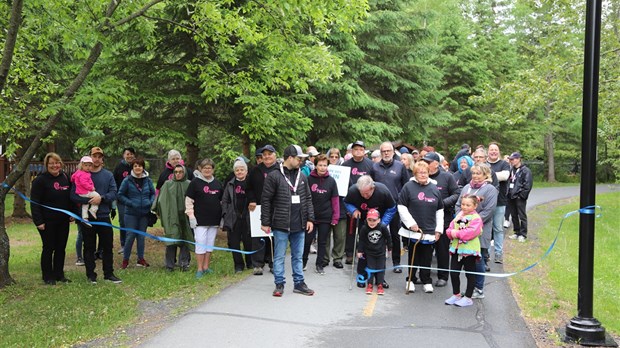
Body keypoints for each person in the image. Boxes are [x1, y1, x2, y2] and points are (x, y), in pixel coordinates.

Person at [261, 144, 315, 297]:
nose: (301, 162)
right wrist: (265, 222)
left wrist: (310, 218)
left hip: (300, 223)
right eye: (299, 159)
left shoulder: (302, 176)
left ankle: (299, 283)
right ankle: (279, 284)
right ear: (290, 158)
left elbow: (308, 199)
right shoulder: (274, 176)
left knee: (298, 256)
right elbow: (266, 200)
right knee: (279, 256)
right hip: (280, 223)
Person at [70, 147, 122, 284]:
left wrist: (102, 199)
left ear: (102, 159)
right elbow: (73, 195)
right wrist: (87, 201)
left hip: (104, 216)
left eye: (99, 156)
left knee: (107, 246)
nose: (97, 159)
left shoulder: (108, 175)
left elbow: (114, 192)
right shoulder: (80, 174)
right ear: (90, 157)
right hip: (87, 217)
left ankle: (109, 274)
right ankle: (91, 276)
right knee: (88, 246)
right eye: (94, 156)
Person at [398, 161, 444, 294]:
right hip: (414, 230)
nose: (422, 175)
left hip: (429, 230)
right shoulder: (408, 186)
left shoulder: (434, 189)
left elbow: (439, 210)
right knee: (413, 255)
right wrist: (410, 223)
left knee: (427, 257)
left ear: (428, 173)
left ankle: (426, 280)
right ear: (415, 174)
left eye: (425, 172)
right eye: (419, 172)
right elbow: (401, 206)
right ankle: (410, 280)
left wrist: (438, 229)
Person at [344, 175, 396, 288]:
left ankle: (380, 279)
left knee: (379, 252)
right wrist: (353, 210)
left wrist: (382, 223)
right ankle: (362, 276)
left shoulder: (383, 191)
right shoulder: (353, 190)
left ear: (372, 188)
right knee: (363, 250)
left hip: (379, 222)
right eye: (362, 193)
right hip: (363, 222)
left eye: (367, 193)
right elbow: (346, 202)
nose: (364, 196)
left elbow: (392, 208)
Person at [455, 164, 498, 300]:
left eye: (479, 173)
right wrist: (460, 219)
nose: (475, 176)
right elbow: (458, 205)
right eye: (473, 173)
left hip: (481, 230)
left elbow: (489, 211)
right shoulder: (467, 188)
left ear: (486, 175)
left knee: (478, 261)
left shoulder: (490, 189)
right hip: (463, 231)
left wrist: (472, 222)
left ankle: (479, 288)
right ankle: (469, 289)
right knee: (466, 262)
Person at [30, 153, 73, 285]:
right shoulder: (40, 181)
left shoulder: (65, 178)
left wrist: (72, 213)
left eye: (57, 163)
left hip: (63, 221)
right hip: (47, 222)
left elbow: (70, 198)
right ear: (46, 166)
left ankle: (59, 274)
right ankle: (48, 276)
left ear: (60, 164)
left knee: (61, 247)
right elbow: (34, 202)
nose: (55, 166)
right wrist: (39, 221)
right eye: (51, 164)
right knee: (49, 248)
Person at [370, 141, 410, 273]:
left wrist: (400, 201)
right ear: (380, 153)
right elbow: (370, 185)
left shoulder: (400, 166)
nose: (386, 153)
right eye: (383, 151)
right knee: (377, 233)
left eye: (388, 151)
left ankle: (396, 262)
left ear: (393, 152)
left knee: (394, 234)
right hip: (377, 205)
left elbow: (406, 186)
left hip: (394, 205)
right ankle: (376, 261)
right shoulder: (374, 167)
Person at [422, 152, 460, 287]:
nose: (425, 164)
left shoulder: (447, 177)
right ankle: (424, 275)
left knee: (442, 249)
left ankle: (443, 276)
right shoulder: (421, 177)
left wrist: (442, 203)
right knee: (425, 249)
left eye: (428, 162)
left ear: (436, 164)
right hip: (426, 219)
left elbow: (456, 193)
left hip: (444, 218)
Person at [185, 158, 223, 278]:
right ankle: (200, 268)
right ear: (200, 169)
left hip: (214, 220)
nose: (207, 170)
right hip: (200, 221)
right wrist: (191, 215)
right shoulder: (195, 183)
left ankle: (206, 267)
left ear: (213, 169)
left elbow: (222, 201)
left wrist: (222, 217)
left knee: (209, 244)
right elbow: (189, 201)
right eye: (205, 168)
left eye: (209, 168)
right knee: (201, 243)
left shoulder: (217, 183)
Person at [444, 194, 483, 307]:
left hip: (469, 251)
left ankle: (468, 297)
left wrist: (455, 233)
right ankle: (456, 294)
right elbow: (450, 227)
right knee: (454, 272)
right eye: (463, 204)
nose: (464, 207)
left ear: (475, 206)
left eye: (468, 205)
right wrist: (451, 233)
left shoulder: (476, 219)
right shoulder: (459, 215)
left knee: (469, 274)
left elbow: (470, 232)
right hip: (456, 249)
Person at [117, 157, 155, 269]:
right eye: (135, 166)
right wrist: (130, 203)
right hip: (131, 213)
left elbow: (153, 193)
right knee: (130, 236)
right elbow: (120, 195)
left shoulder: (148, 180)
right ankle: (125, 260)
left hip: (144, 214)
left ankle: (140, 258)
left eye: (140, 166)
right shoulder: (127, 180)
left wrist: (151, 201)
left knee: (141, 237)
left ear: (143, 167)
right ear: (133, 168)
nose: (138, 168)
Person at [246, 144, 279, 275]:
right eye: (264, 155)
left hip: (276, 207)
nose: (267, 157)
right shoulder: (255, 171)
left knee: (275, 236)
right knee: (258, 236)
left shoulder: (280, 169)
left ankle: (273, 263)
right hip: (258, 207)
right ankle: (258, 264)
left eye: (269, 154)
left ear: (275, 155)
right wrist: (252, 200)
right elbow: (248, 188)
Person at [154, 164, 194, 272]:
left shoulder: (189, 184)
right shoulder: (167, 185)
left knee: (185, 239)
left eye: (180, 172)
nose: (178, 174)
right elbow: (160, 199)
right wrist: (157, 210)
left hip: (185, 216)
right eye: (176, 172)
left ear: (184, 172)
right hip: (172, 217)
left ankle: (184, 263)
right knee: (172, 240)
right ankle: (169, 265)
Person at [304, 154, 339, 274]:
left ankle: (319, 265)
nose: (322, 168)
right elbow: (304, 198)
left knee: (322, 242)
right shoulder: (308, 179)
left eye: (325, 165)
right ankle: (303, 262)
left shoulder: (331, 181)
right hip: (311, 217)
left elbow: (335, 200)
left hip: (325, 216)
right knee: (307, 241)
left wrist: (335, 217)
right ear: (315, 165)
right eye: (320, 165)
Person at [342, 141, 374, 264]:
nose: (358, 151)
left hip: (367, 200)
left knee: (365, 228)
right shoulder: (345, 165)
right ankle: (349, 253)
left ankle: (365, 251)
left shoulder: (371, 165)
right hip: (351, 200)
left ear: (364, 151)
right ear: (351, 151)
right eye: (355, 149)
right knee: (350, 230)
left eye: (361, 149)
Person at [222, 159, 252, 273]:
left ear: (246, 170)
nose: (239, 172)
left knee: (248, 241)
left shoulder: (250, 182)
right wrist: (226, 213)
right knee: (234, 242)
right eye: (237, 170)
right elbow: (225, 200)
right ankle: (238, 265)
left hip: (247, 216)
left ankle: (250, 262)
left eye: (241, 169)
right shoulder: (230, 184)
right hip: (233, 217)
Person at [357, 209, 391, 295]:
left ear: (379, 220)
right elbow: (361, 240)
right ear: (366, 220)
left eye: (374, 220)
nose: (372, 222)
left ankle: (380, 285)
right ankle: (370, 284)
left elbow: (388, 238)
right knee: (370, 269)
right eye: (369, 220)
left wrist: (390, 248)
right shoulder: (364, 228)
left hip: (381, 252)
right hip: (369, 252)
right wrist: (360, 251)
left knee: (380, 269)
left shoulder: (383, 227)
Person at [487, 142, 511, 263]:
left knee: (498, 228)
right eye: (491, 149)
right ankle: (485, 254)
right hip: (485, 202)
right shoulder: (484, 164)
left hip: (499, 201)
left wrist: (488, 174)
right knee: (485, 228)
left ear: (499, 151)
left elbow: (505, 176)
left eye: (495, 150)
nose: (493, 152)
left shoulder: (504, 164)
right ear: (488, 151)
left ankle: (498, 253)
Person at [323, 147, 346, 268]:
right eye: (331, 156)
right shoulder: (323, 170)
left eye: (336, 157)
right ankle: (325, 258)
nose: (333, 159)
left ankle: (337, 258)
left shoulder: (343, 171)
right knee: (325, 235)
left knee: (340, 235)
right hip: (326, 208)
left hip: (341, 207)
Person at [113, 147, 135, 253]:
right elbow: (114, 182)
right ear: (123, 155)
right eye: (127, 154)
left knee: (134, 222)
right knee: (123, 221)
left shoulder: (137, 166)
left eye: (131, 154)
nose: (129, 156)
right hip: (121, 200)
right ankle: (123, 244)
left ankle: (131, 244)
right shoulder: (119, 167)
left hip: (134, 200)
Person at [507, 152, 533, 242]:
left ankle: (523, 234)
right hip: (511, 196)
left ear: (518, 159)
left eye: (513, 159)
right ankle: (516, 232)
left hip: (519, 197)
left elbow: (527, 185)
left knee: (522, 215)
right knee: (514, 215)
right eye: (510, 159)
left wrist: (521, 196)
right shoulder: (511, 170)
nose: (511, 161)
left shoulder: (525, 171)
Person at [71, 156, 101, 225]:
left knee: (85, 204)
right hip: (85, 192)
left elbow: (73, 177)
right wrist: (91, 188)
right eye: (86, 165)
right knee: (97, 196)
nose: (88, 167)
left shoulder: (78, 172)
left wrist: (73, 179)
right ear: (82, 165)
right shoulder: (84, 174)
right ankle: (93, 209)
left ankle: (85, 218)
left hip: (80, 192)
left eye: (90, 165)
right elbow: (84, 183)